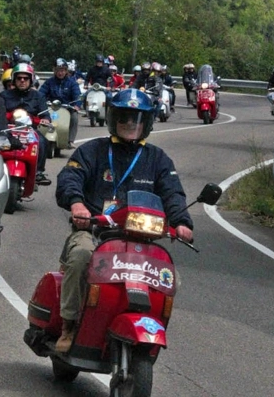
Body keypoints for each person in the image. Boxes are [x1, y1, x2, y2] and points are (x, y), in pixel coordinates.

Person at [53, 88, 194, 353]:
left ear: (148, 123)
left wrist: (182, 223)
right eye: (125, 117)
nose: (131, 124)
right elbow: (70, 177)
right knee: (81, 256)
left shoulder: (158, 159)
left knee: (169, 276)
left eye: (138, 119)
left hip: (139, 237)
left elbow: (173, 193)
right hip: (94, 231)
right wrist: (77, 204)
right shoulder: (93, 151)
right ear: (113, 119)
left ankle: (150, 327)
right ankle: (69, 325)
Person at [0, 63, 53, 186]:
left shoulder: (38, 96)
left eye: (26, 78)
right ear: (14, 80)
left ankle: (38, 171)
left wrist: (45, 119)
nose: (22, 81)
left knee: (43, 141)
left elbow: (45, 114)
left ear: (31, 80)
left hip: (29, 130)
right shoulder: (4, 95)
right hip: (7, 129)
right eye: (19, 78)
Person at [39, 58, 81, 149]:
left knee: (74, 116)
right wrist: (40, 101)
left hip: (67, 108)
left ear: (66, 71)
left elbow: (77, 95)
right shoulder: (49, 82)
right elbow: (41, 93)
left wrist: (76, 105)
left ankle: (70, 140)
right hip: (51, 107)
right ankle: (39, 138)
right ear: (54, 71)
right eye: (58, 70)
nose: (60, 73)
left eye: (62, 70)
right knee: (39, 115)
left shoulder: (72, 83)